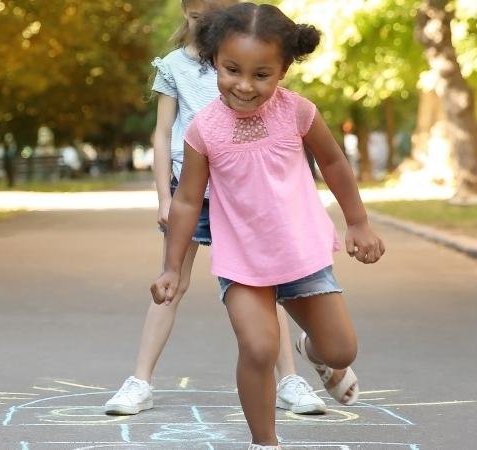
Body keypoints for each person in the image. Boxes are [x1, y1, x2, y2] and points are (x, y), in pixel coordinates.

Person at [150, 4, 385, 448]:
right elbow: (185, 202)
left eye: (261, 74)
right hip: (242, 261)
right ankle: (265, 442)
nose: (243, 85)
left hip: (300, 253)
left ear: (283, 70)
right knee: (258, 348)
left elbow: (333, 162)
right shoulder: (203, 131)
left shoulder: (298, 112)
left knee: (341, 350)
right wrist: (170, 267)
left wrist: (358, 222)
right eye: (231, 69)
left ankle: (314, 354)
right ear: (213, 59)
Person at [104, 0, 327, 419]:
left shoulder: (243, 56)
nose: (201, 22)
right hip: (190, 188)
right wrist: (164, 198)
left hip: (244, 190)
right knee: (170, 281)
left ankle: (290, 380)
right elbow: (162, 133)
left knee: (266, 284)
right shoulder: (174, 65)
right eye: (194, 16)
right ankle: (140, 381)